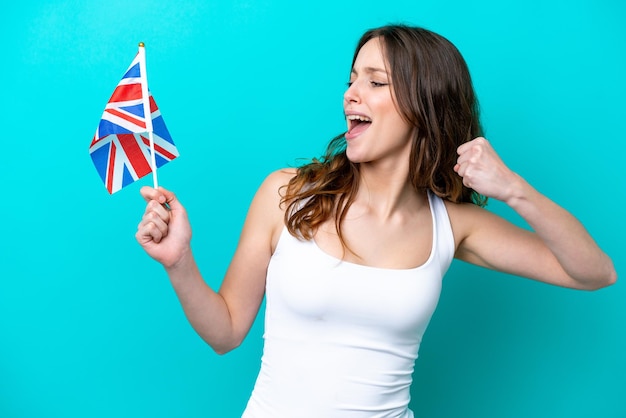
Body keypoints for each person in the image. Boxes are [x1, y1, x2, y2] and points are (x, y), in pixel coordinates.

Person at [135, 24, 616, 417]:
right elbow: (226, 332)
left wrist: (514, 189)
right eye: (351, 80)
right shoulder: (287, 194)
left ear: (423, 104)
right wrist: (179, 263)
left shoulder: (454, 226)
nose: (350, 95)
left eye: (375, 82)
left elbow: (594, 272)